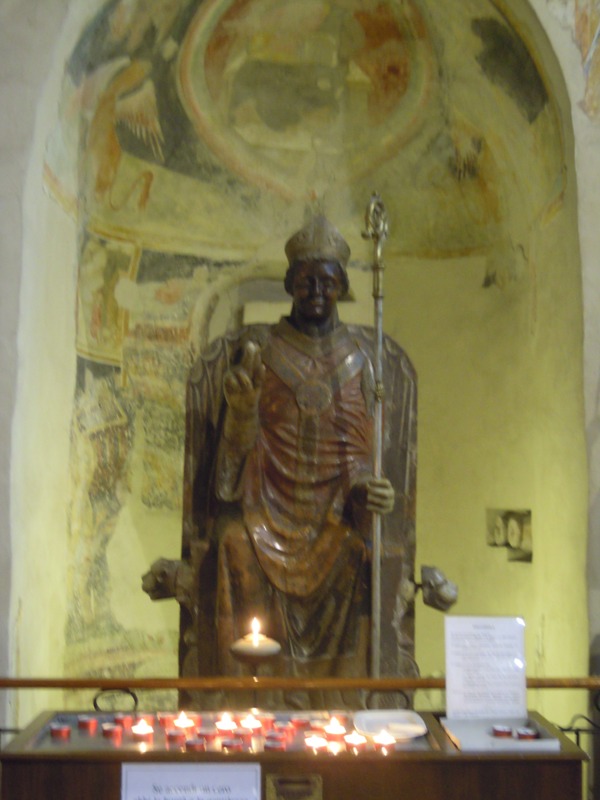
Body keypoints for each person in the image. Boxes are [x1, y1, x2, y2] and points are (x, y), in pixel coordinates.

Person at [143, 215, 418, 709]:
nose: (317, 291)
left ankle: (343, 701)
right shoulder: (260, 352)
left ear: (342, 287)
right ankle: (240, 698)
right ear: (290, 283)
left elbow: (360, 452)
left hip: (333, 514)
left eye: (328, 281)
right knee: (232, 543)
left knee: (362, 554)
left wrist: (368, 488)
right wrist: (241, 414)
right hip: (266, 507)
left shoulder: (361, 361)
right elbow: (231, 464)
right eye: (306, 280)